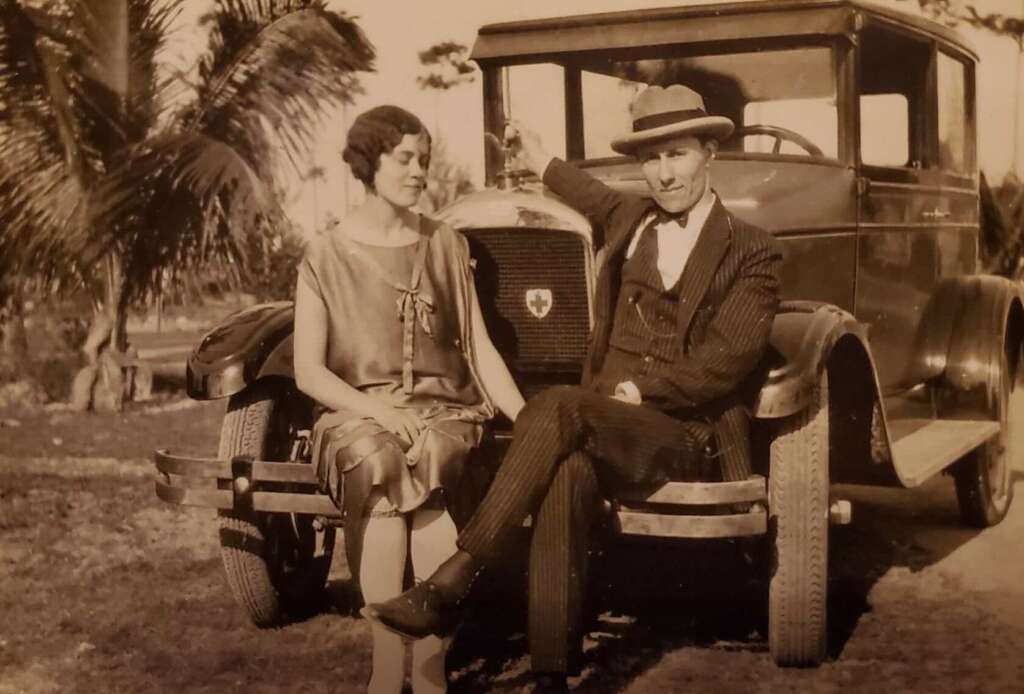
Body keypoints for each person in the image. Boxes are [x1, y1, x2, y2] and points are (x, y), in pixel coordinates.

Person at [362, 85, 785, 691]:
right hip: (599, 426)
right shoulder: (631, 218)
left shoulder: (753, 249)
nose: (664, 175)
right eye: (652, 159)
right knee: (564, 475)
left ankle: (457, 574)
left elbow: (729, 359)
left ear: (710, 152)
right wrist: (538, 158)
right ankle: (553, 674)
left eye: (678, 155)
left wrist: (644, 391)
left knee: (557, 408)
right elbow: (581, 189)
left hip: (678, 432)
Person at [293, 105, 524, 694]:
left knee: (434, 458)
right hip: (356, 410)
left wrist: (528, 418)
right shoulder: (324, 255)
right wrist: (379, 410)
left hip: (444, 408)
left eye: (424, 159)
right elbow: (308, 374)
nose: (419, 171)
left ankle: (427, 671)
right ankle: (385, 665)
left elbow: (480, 348)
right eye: (405, 159)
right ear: (370, 163)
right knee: (380, 460)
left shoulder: (446, 243)